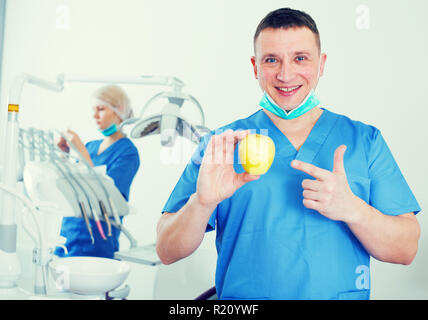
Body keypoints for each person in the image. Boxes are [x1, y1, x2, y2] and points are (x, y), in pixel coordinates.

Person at [156, 8, 421, 300]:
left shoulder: (365, 141)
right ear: (255, 67)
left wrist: (353, 209)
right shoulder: (221, 145)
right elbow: (166, 250)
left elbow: (406, 249)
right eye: (272, 60)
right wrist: (201, 203)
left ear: (321, 64)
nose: (285, 74)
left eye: (300, 58)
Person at [55, 85, 140, 258]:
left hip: (97, 241)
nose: (94, 116)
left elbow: (106, 196)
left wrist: (81, 153)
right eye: (93, 110)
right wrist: (64, 154)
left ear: (120, 111)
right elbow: (70, 188)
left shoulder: (127, 152)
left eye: (100, 109)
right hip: (68, 233)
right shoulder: (91, 146)